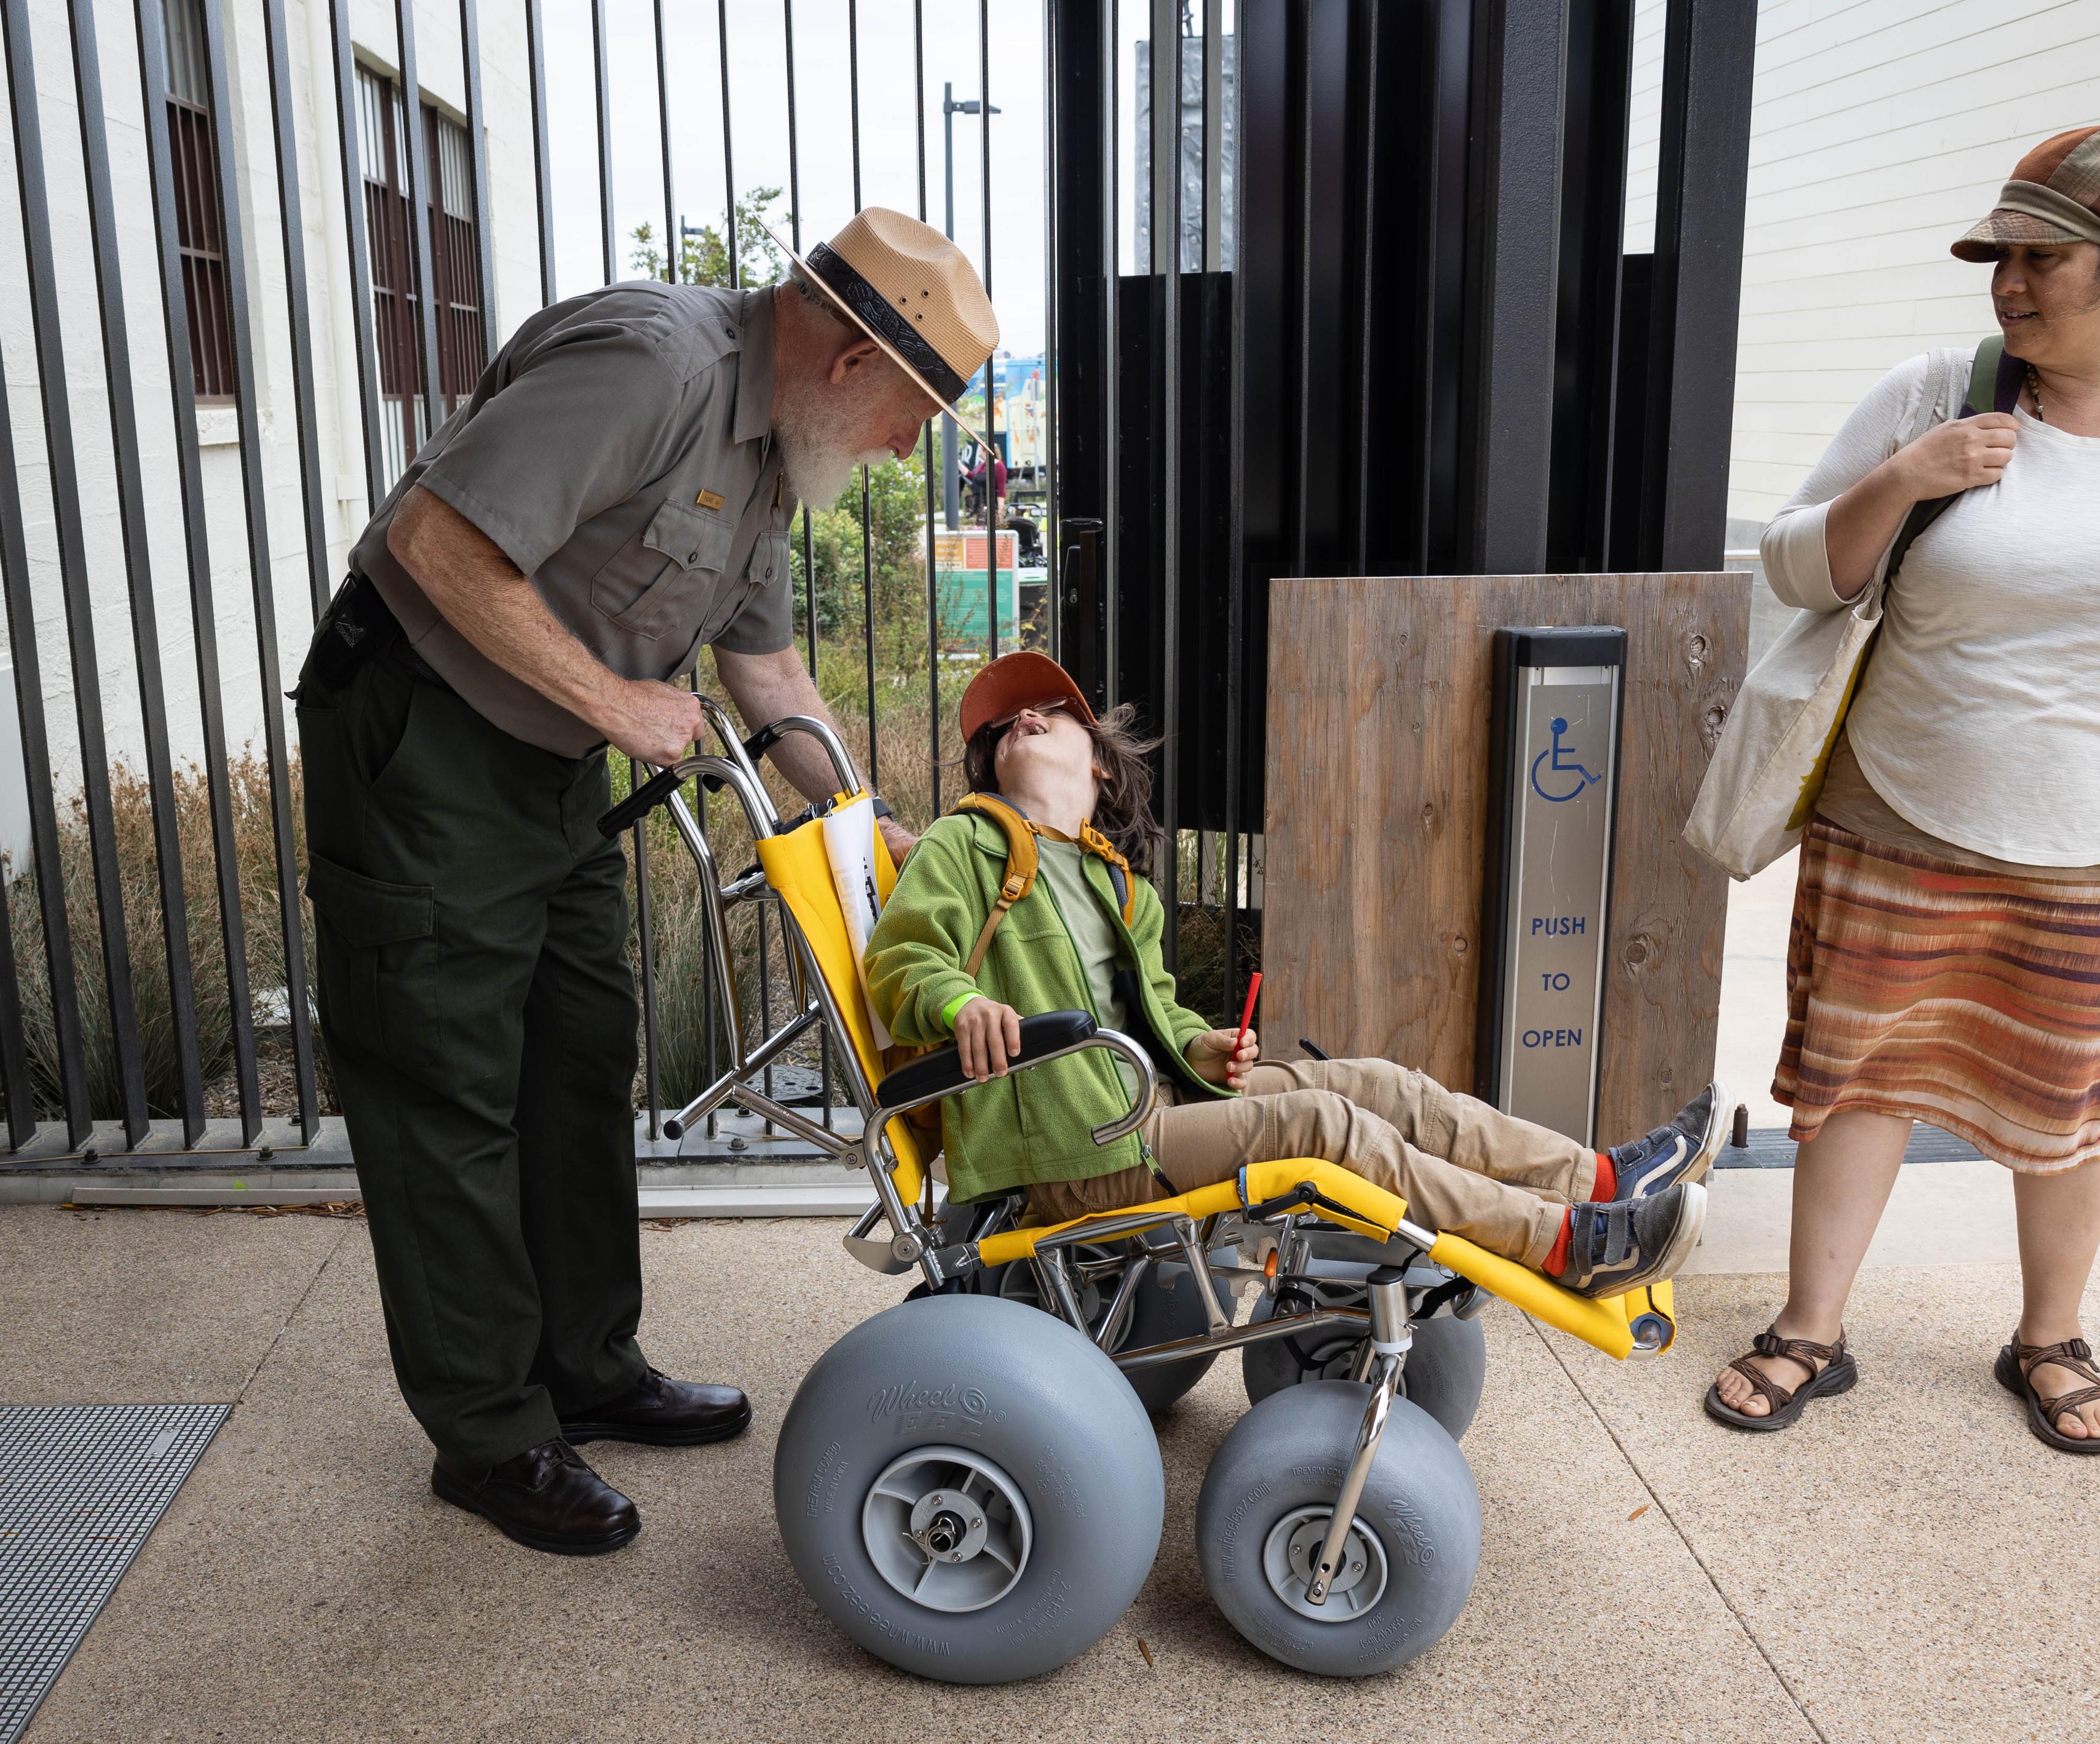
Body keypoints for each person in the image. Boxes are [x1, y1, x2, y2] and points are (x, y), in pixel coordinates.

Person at [298, 208, 998, 1555]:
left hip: (551, 756)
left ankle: (587, 1365)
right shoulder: (653, 367)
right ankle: (492, 1433)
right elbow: (430, 538)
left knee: (578, 1050)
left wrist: (864, 818)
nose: (910, 449)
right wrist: (615, 698)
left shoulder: (779, 446)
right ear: (852, 358)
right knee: (446, 1073)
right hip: (426, 732)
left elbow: (768, 674)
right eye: (915, 415)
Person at [1706, 125, 2100, 1451]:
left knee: (2077, 1098)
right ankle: (1812, 1324)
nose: (2009, 283)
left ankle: (2050, 1336)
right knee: (1856, 1078)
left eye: (2043, 259)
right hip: (1904, 807)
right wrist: (1906, 479)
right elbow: (1797, 566)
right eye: (2000, 257)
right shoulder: (1939, 390)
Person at [866, 652, 1723, 1296]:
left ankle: (1603, 1180)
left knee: (1384, 1087)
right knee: (1327, 1125)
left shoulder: (1114, 883)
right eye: (1001, 725)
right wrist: (962, 1000)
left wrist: (1205, 1050)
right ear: (989, 766)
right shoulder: (967, 842)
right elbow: (900, 963)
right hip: (1070, 1147)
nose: (1022, 719)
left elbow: (1154, 1013)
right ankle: (1564, 1243)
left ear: (1096, 758)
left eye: (1048, 710)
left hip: (1143, 1105)